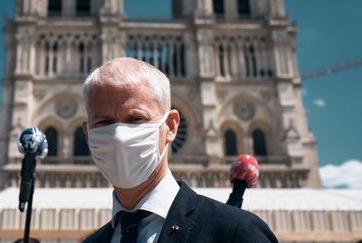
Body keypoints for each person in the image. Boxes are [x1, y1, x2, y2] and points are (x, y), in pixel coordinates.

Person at [81, 57, 278, 243]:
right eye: (104, 122)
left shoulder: (237, 232)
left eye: (135, 119)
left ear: (171, 126)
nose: (119, 136)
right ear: (87, 134)